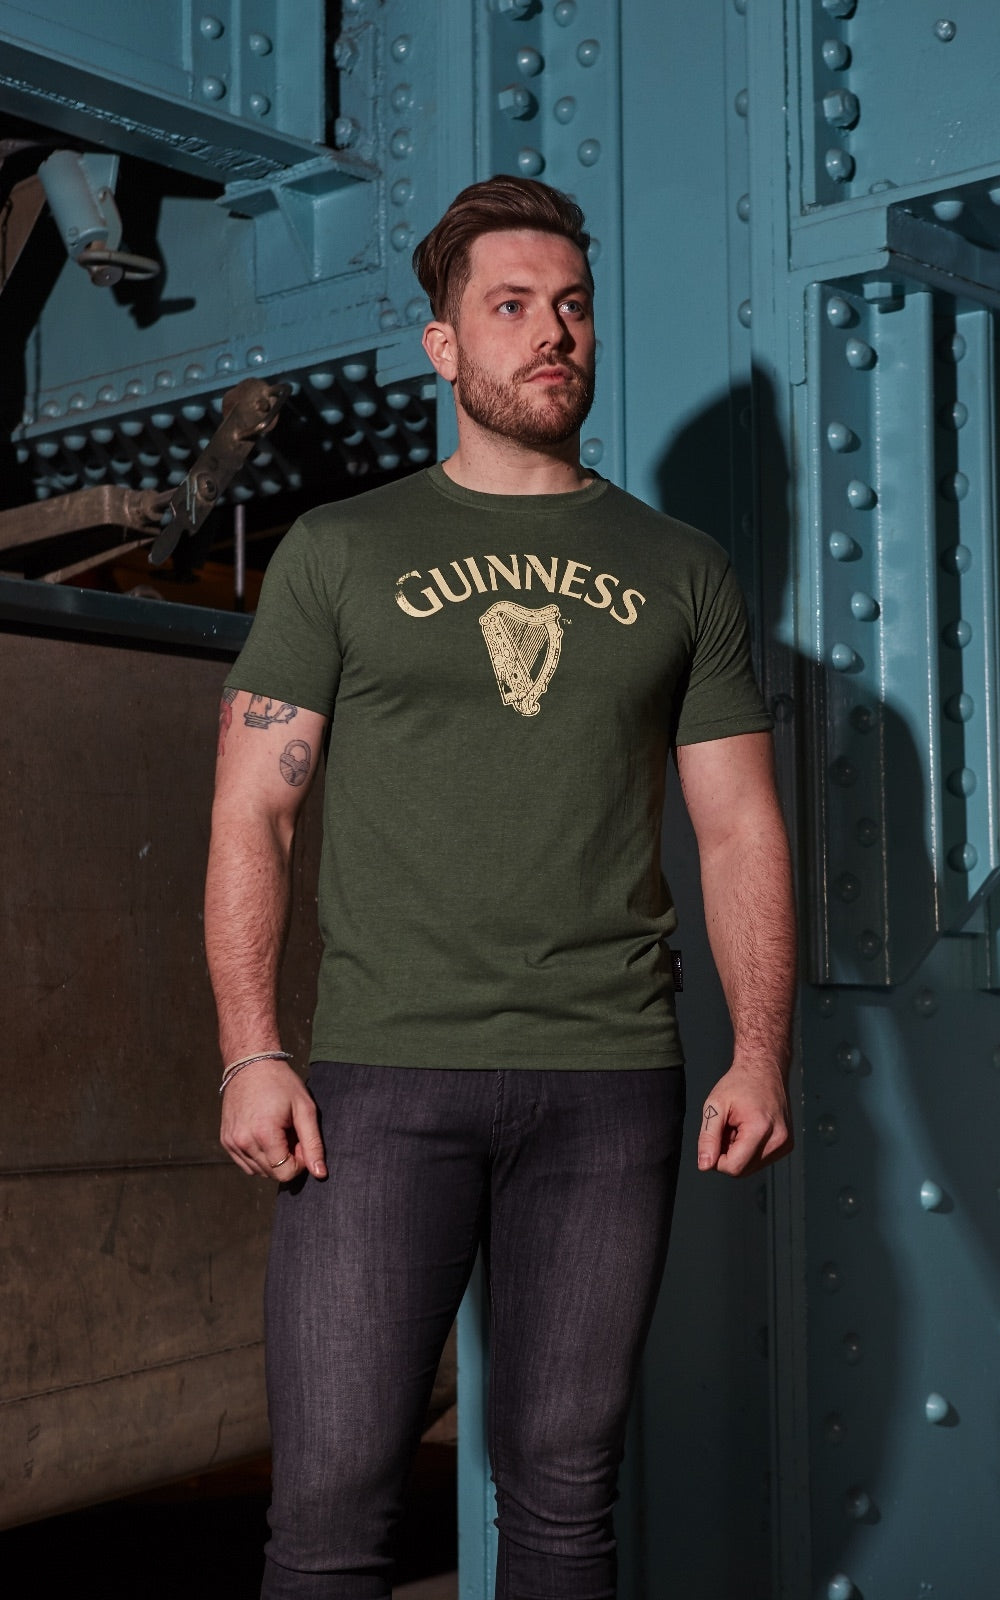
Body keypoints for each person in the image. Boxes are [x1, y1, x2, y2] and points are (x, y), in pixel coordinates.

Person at [205, 175, 795, 1600]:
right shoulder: (342, 549)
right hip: (377, 1081)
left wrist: (760, 1051)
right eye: (511, 308)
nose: (552, 335)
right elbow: (251, 814)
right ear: (443, 347)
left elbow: (737, 831)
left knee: (561, 1507)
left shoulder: (679, 570)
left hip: (605, 1081)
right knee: (334, 1518)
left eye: (571, 307)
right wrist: (252, 1050)